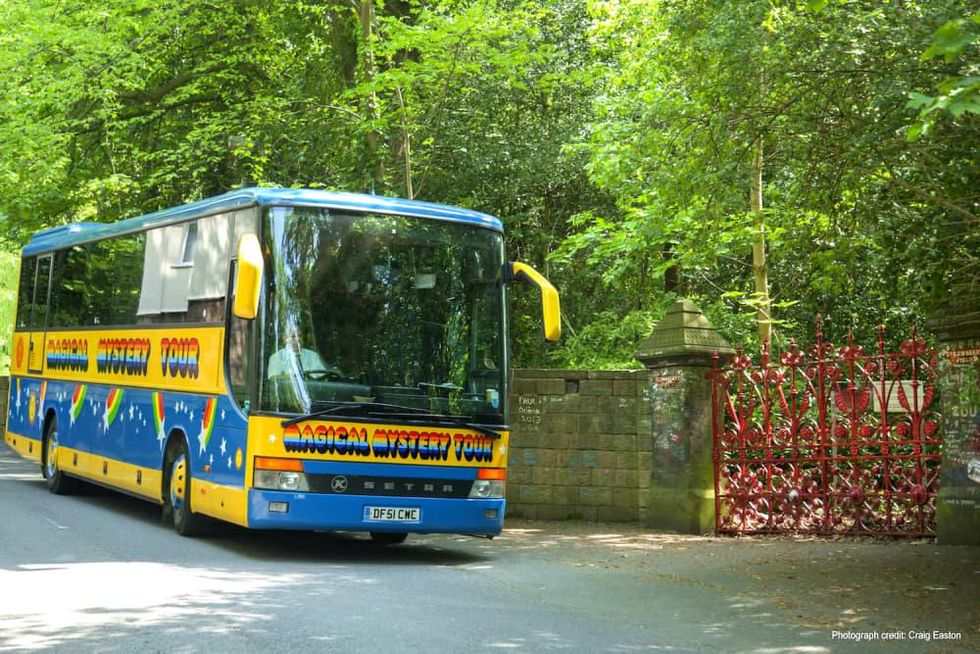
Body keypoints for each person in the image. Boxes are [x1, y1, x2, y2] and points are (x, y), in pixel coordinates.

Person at [267, 332, 340, 380]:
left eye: (300, 336)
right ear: (284, 338)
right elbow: (273, 380)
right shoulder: (276, 357)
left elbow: (324, 378)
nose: (297, 339)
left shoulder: (313, 356)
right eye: (293, 336)